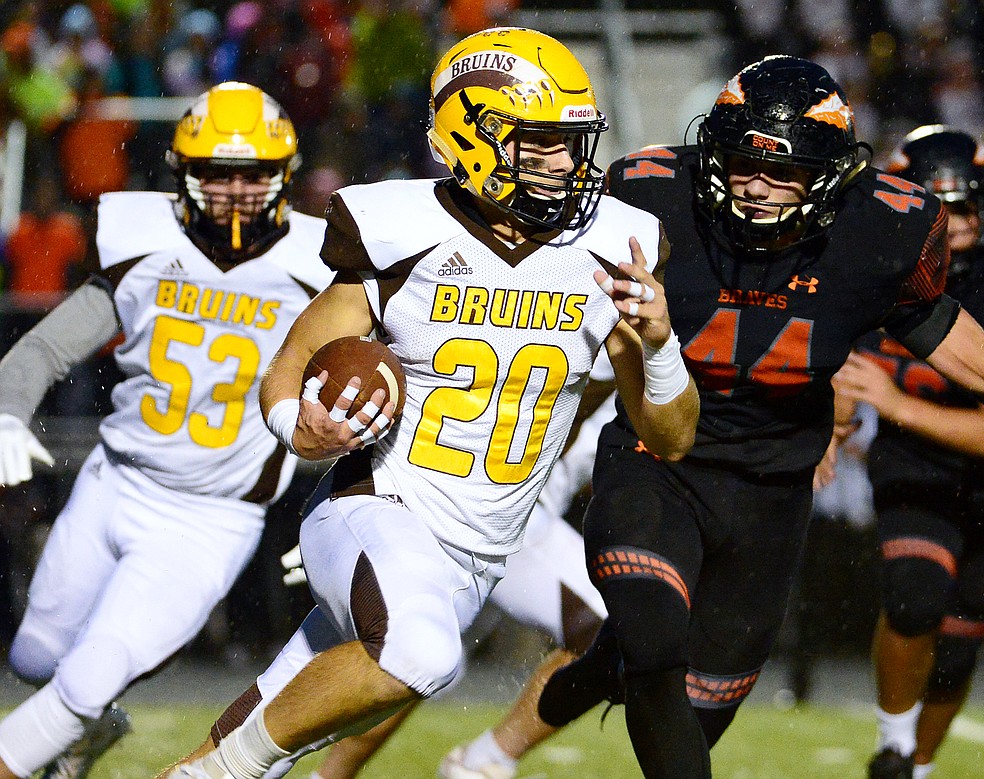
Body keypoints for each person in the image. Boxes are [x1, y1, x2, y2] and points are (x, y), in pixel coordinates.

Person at [534, 56, 984, 779]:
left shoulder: (881, 231)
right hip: (658, 460)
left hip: (770, 490)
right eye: (741, 162)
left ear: (829, 175)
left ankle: (609, 662)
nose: (755, 185)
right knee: (653, 641)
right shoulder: (651, 195)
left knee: (701, 706)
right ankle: (618, 662)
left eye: (784, 170)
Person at [161, 27, 699, 779]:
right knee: (420, 653)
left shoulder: (616, 243)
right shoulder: (401, 228)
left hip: (483, 549)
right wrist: (300, 428)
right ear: (471, 138)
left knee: (301, 701)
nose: (565, 165)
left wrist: (662, 342)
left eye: (572, 143)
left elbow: (672, 437)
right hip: (378, 506)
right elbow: (289, 363)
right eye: (539, 142)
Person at [0, 81, 332, 779]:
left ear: (285, 177)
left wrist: (347, 508)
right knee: (35, 657)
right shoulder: (143, 243)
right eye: (216, 171)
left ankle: (66, 724)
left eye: (254, 173)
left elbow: (374, 389)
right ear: (185, 173)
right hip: (114, 483)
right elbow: (42, 349)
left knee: (87, 678)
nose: (236, 190)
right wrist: (6, 408)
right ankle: (91, 729)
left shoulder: (325, 267)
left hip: (209, 518)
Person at [831, 125, 984, 779]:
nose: (957, 223)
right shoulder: (869, 267)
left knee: (961, 643)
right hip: (915, 459)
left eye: (966, 206)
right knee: (914, 598)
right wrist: (830, 429)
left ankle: (918, 766)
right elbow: (829, 358)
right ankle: (892, 743)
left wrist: (892, 400)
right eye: (939, 207)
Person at [281, 387, 614, 779]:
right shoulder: (607, 337)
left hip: (520, 520)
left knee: (622, 626)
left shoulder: (651, 353)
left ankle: (483, 762)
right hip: (466, 510)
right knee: (407, 656)